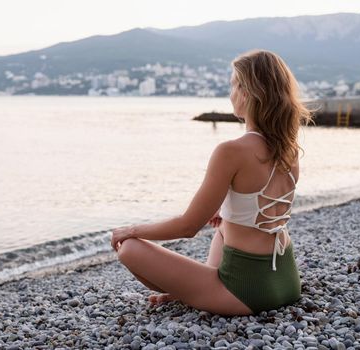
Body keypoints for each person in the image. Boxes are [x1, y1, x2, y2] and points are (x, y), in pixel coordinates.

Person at [110, 50, 312, 316]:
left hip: (247, 293)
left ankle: (198, 292)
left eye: (233, 85)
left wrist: (131, 230)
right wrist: (226, 211)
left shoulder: (231, 150)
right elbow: (259, 200)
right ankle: (197, 289)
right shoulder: (289, 148)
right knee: (224, 224)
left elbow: (188, 226)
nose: (230, 94)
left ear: (246, 92)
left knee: (129, 249)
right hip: (286, 280)